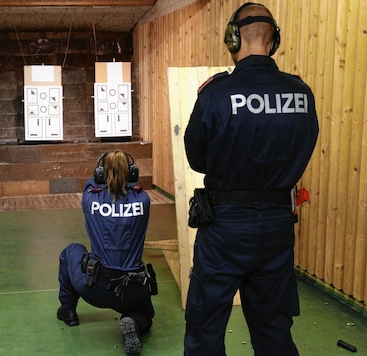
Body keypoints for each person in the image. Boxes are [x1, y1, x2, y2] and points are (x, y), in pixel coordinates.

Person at [183, 3, 319, 355]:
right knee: (273, 328)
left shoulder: (215, 93)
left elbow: (197, 159)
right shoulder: (301, 93)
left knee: (206, 326)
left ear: (233, 38)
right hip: (276, 228)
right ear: (273, 41)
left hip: (224, 227)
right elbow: (304, 148)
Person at [57, 150, 156, 355]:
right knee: (146, 315)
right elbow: (134, 190)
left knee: (71, 251)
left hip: (96, 288)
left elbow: (91, 184)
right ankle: (133, 321)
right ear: (132, 174)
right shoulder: (143, 201)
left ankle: (68, 310)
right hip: (133, 290)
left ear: (100, 173)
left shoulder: (89, 199)